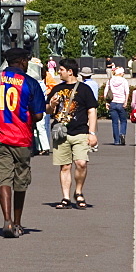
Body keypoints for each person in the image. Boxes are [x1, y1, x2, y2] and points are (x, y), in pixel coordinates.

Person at [0, 48, 46, 238]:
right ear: (23, 61)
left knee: (4, 179)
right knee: (21, 181)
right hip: (22, 137)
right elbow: (39, 115)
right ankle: (17, 222)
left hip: (0, 136)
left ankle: (7, 220)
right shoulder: (30, 83)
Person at [46, 58, 98, 209]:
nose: (58, 72)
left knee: (81, 163)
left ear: (70, 71)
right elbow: (48, 110)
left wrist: (92, 132)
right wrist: (52, 105)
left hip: (80, 131)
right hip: (61, 133)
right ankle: (66, 197)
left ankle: (79, 191)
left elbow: (92, 111)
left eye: (61, 69)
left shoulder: (84, 89)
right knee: (65, 166)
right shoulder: (56, 89)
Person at [104, 67, 130, 145]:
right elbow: (127, 92)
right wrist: (126, 102)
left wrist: (106, 102)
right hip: (121, 102)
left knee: (114, 123)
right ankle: (122, 133)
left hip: (112, 102)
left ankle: (116, 141)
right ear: (121, 73)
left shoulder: (110, 80)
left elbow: (106, 92)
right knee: (123, 121)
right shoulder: (124, 81)